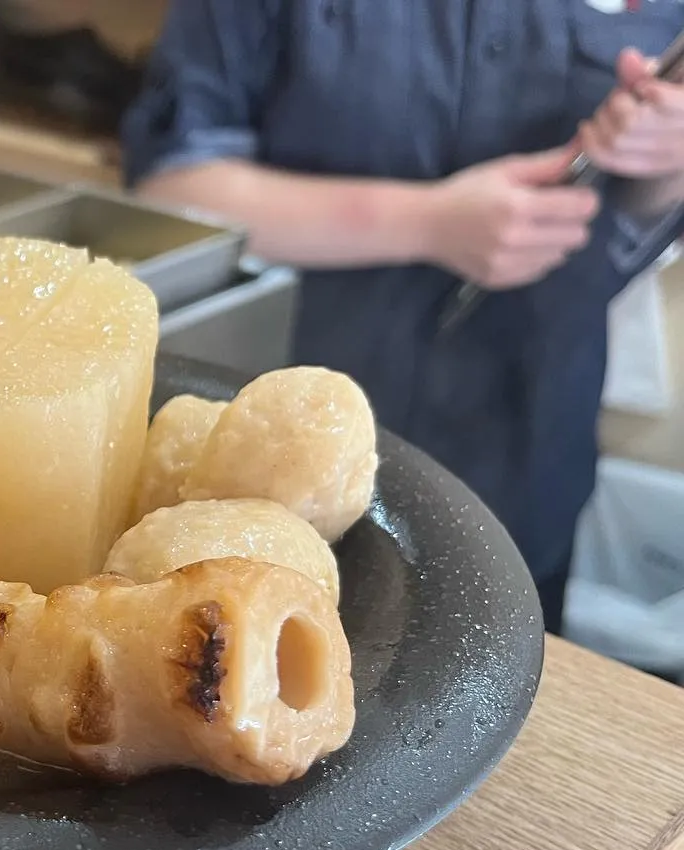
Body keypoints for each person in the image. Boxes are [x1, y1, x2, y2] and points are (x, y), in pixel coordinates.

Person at [121, 0, 684, 633]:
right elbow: (175, 185)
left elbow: (634, 223)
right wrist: (428, 224)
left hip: (530, 454)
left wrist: (663, 163)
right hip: (279, 465)